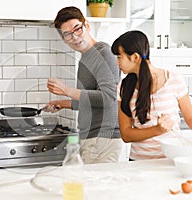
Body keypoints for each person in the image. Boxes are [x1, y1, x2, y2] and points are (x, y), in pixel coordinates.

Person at [44, 6, 123, 163]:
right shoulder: (86, 57)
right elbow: (91, 100)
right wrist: (63, 104)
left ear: (87, 25)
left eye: (77, 29)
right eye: (67, 34)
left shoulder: (103, 53)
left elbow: (108, 98)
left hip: (102, 139)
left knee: (94, 187)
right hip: (92, 138)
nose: (74, 37)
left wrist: (67, 90)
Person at [111, 30, 192, 160]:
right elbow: (126, 135)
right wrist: (158, 130)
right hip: (138, 162)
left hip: (170, 160)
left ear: (135, 57)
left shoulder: (173, 79)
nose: (117, 62)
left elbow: (190, 119)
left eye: (119, 57)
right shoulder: (124, 86)